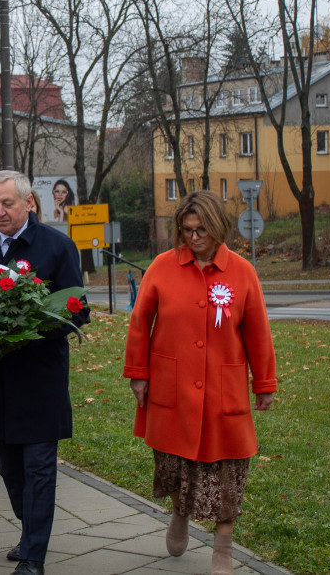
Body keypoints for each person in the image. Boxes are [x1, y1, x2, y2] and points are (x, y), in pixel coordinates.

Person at [123, 190, 276, 574]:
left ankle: (222, 546)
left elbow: (258, 332)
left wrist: (265, 383)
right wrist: (138, 375)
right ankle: (179, 512)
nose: (194, 237)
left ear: (218, 228)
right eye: (187, 230)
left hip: (223, 391)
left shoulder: (242, 272)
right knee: (173, 466)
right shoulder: (161, 267)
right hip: (171, 388)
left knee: (228, 473)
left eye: (202, 230)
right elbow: (140, 324)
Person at [0, 170, 89, 575]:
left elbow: (78, 309)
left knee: (38, 468)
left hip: (39, 378)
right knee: (10, 467)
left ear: (29, 203)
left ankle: (34, 554)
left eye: (8, 204)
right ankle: (29, 529)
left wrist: (26, 330)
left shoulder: (56, 246)